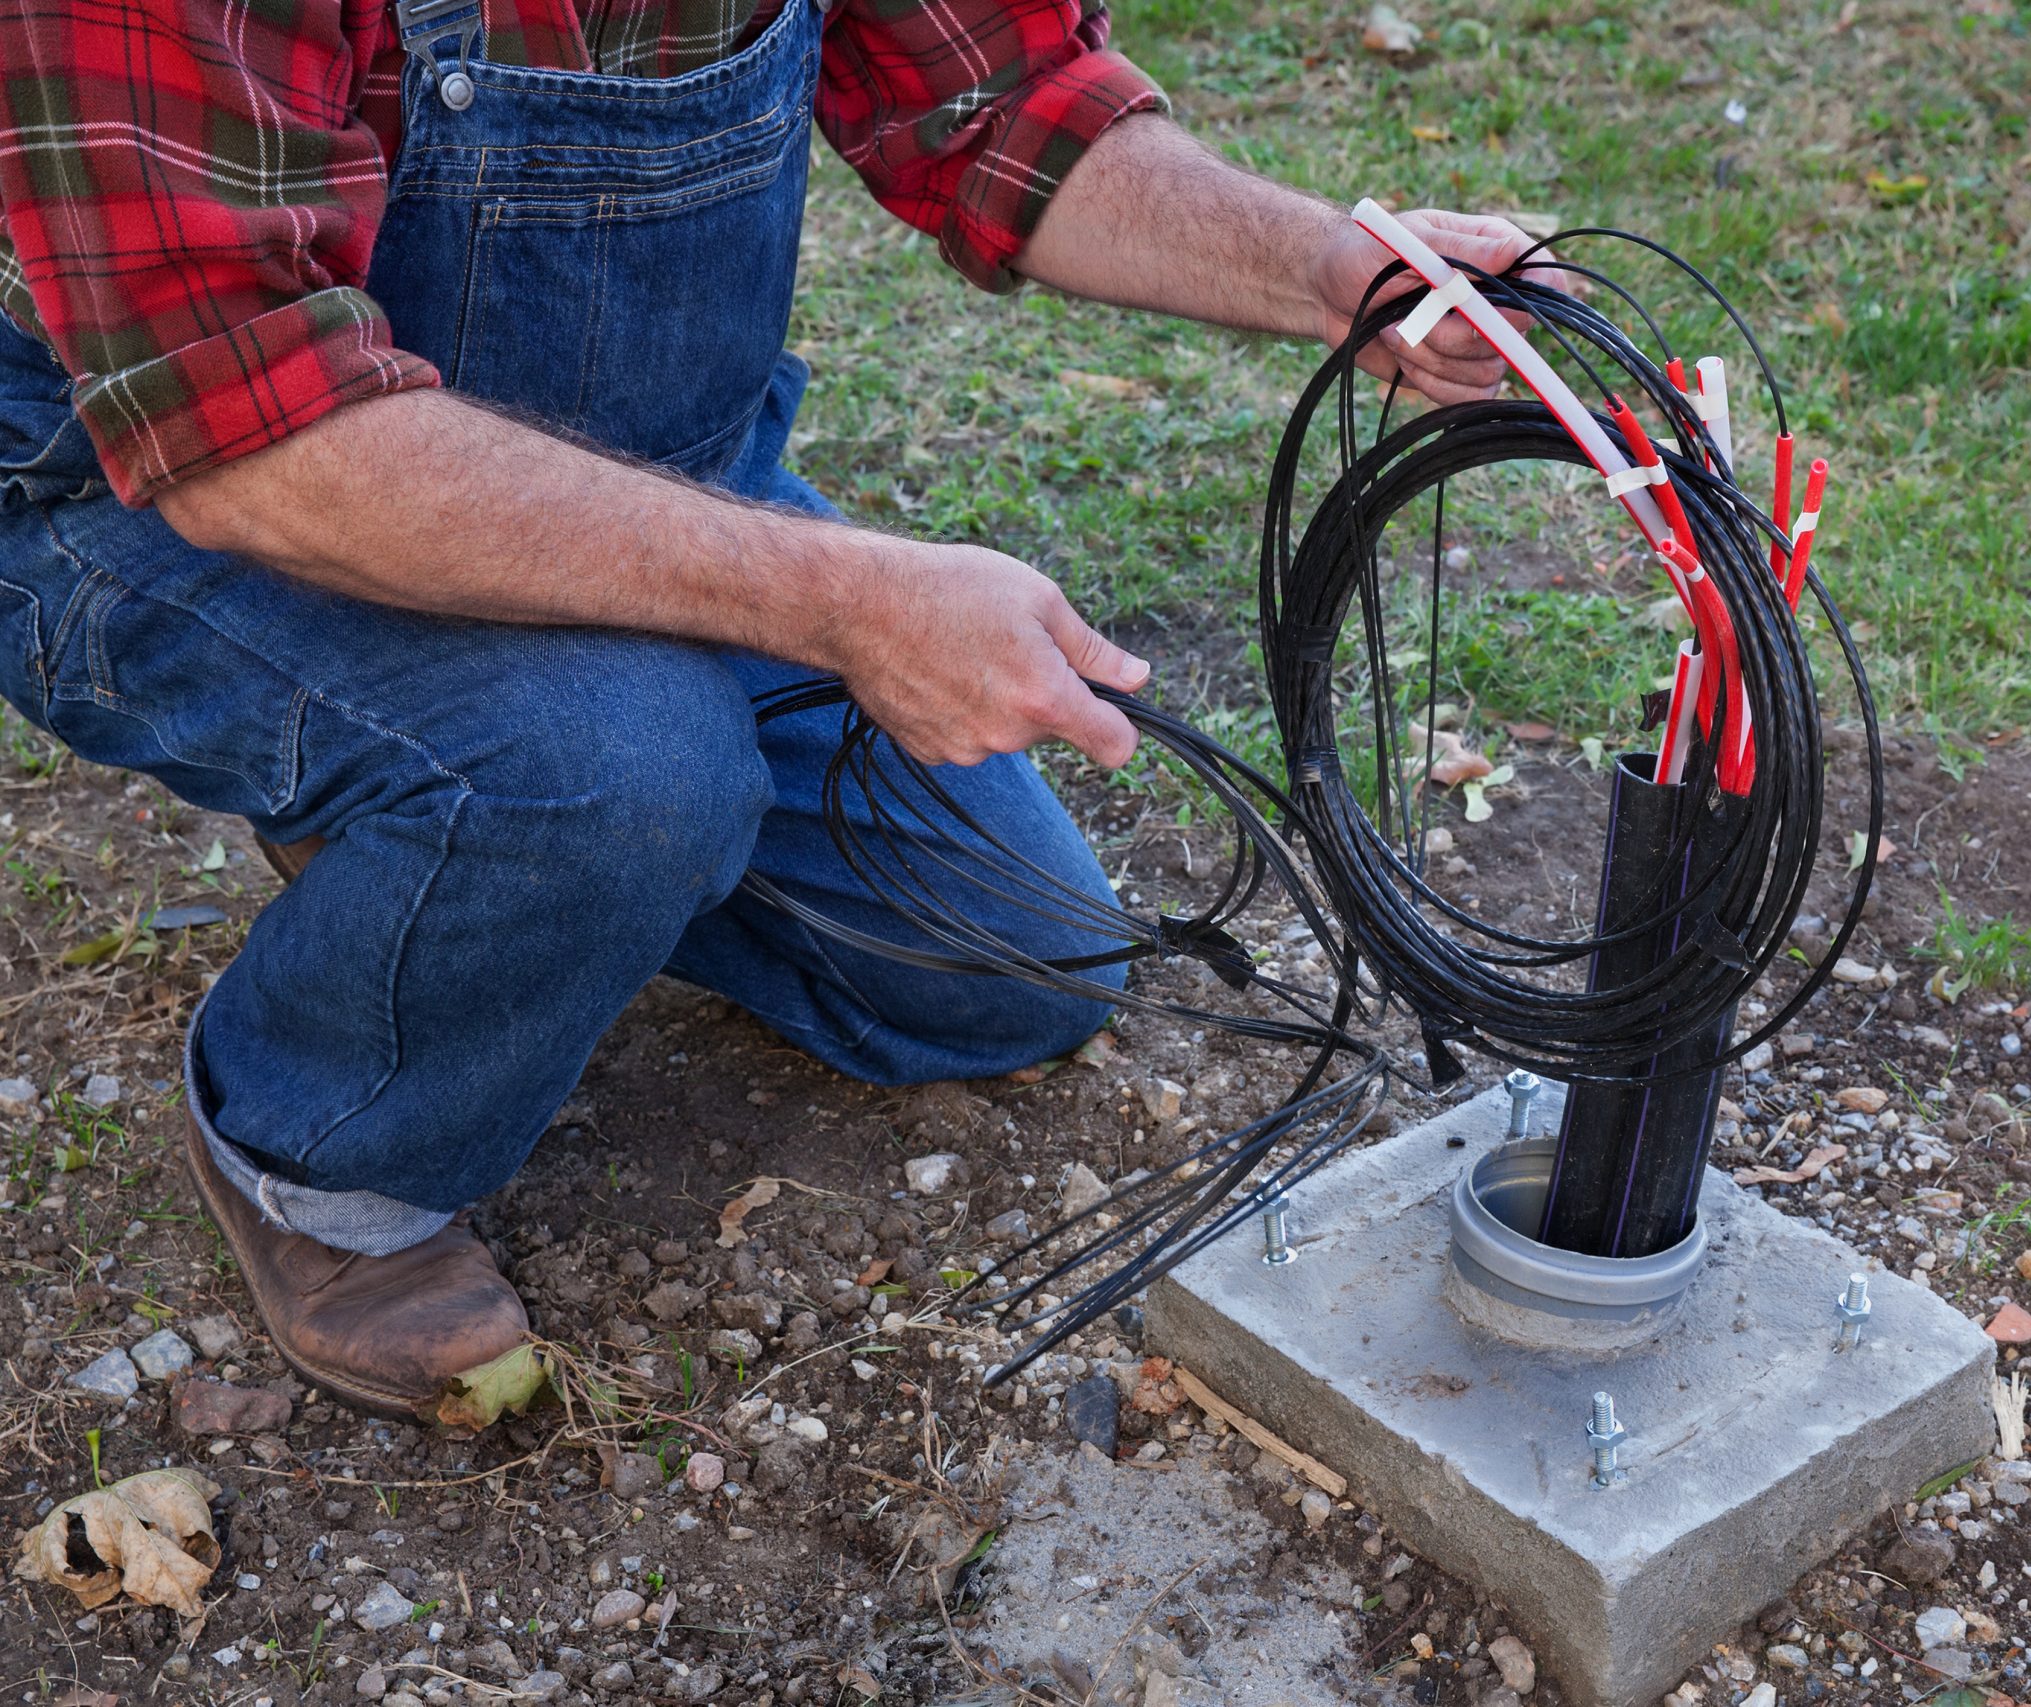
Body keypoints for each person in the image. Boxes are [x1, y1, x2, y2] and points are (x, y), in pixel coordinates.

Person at [0, 0, 1539, 1420]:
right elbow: (248, 431)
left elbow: (1002, 102)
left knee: (1012, 966)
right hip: (160, 493)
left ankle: (461, 821)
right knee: (619, 775)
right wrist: (851, 603)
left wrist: (1339, 272)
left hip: (640, 495)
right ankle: (313, 1163)